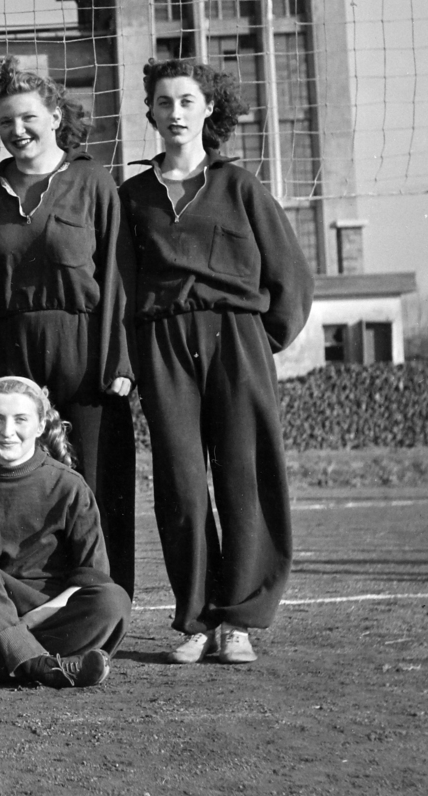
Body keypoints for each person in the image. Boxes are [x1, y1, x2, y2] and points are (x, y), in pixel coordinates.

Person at [119, 60, 313, 665]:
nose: (174, 113)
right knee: (180, 482)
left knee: (244, 473)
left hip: (236, 339)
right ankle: (197, 619)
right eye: (163, 102)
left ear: (208, 110)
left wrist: (258, 343)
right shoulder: (132, 196)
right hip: (163, 344)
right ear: (149, 112)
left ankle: (240, 620)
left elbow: (291, 279)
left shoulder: (240, 186)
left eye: (186, 101)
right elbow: (123, 285)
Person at [0, 57, 139, 594]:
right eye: (4, 123)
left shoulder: (92, 180)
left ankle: (103, 601)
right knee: (22, 481)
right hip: (12, 349)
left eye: (27, 118)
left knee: (94, 477)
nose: (16, 131)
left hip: (83, 349)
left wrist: (119, 360)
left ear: (55, 115)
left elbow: (117, 273)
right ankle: (31, 601)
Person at [0, 377, 130, 688]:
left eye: (20, 419)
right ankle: (41, 665)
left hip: (50, 615)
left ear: (41, 425)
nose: (6, 430)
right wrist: (5, 624)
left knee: (113, 602)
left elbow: (92, 577)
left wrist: (23, 627)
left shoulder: (68, 485)